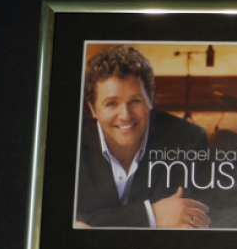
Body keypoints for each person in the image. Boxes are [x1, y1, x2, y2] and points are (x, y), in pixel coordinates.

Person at [75, 45, 211, 229]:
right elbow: (65, 221)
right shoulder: (72, 140)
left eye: (135, 101)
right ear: (92, 108)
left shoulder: (189, 140)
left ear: (150, 100)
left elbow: (194, 220)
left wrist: (97, 221)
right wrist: (150, 215)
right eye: (112, 103)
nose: (125, 115)